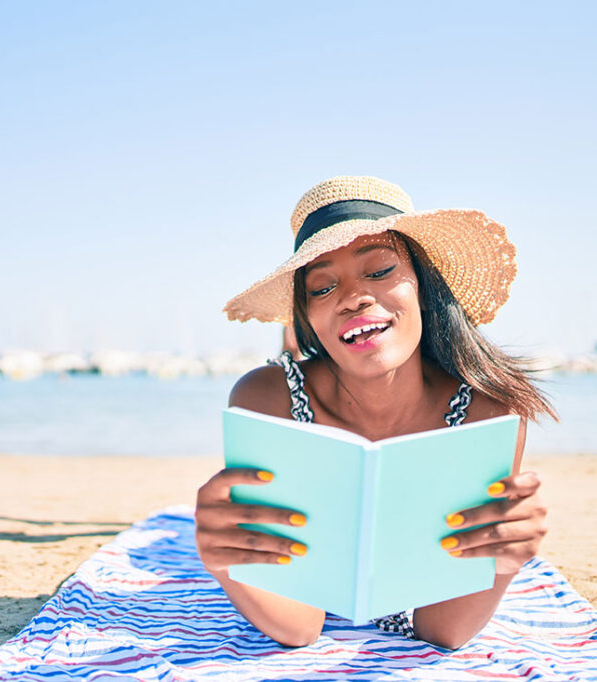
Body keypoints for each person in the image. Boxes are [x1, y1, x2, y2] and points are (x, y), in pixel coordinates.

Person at [195, 176, 557, 650]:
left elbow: (443, 629)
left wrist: (504, 564)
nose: (352, 297)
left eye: (380, 270)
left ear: (425, 288)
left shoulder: (487, 409)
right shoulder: (269, 400)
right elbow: (300, 626)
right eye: (322, 287)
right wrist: (226, 564)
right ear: (307, 319)